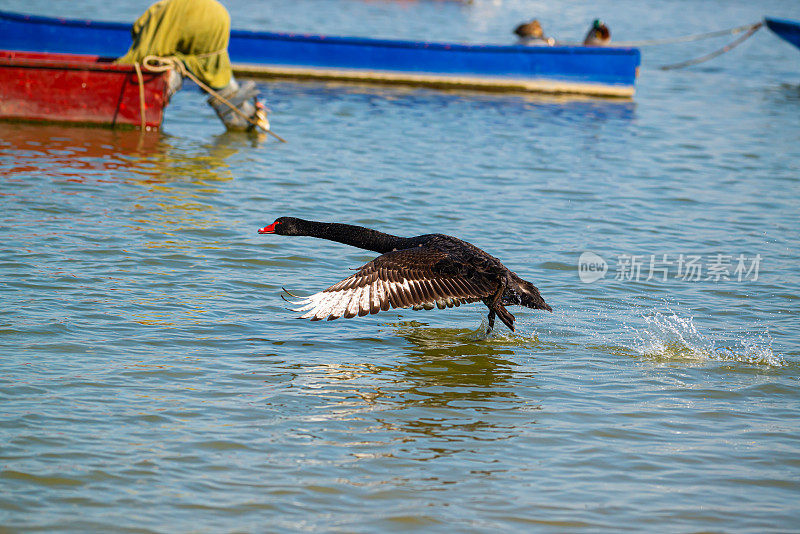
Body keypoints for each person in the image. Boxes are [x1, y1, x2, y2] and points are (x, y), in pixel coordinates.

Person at [117, 0, 268, 131]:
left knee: (166, 65)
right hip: (218, 18)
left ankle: (243, 120)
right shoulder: (166, 9)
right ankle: (245, 121)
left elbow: (142, 50)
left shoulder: (157, 15)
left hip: (203, 20)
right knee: (215, 70)